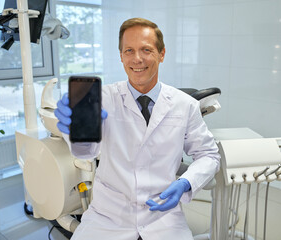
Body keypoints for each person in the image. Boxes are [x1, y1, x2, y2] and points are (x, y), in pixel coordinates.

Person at [55, 17, 220, 240]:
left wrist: (185, 183)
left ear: (162, 54)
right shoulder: (102, 99)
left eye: (146, 50)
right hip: (108, 216)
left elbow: (209, 155)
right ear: (121, 56)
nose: (137, 59)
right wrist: (75, 132)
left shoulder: (185, 105)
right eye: (129, 50)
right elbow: (87, 152)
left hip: (163, 216)